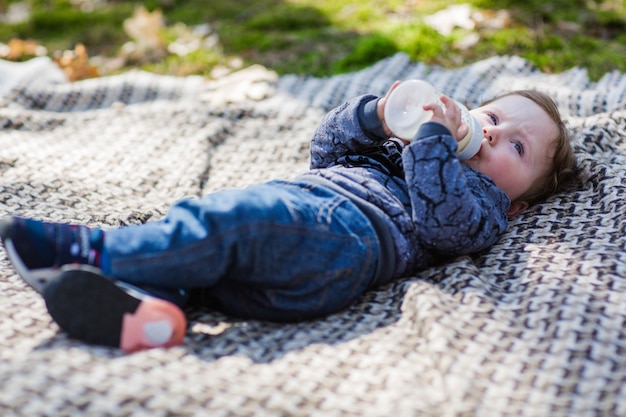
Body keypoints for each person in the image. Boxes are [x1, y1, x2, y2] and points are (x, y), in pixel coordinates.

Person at [0, 81, 577, 353]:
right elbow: (326, 150)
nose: (494, 131)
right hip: (290, 260)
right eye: (495, 115)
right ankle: (154, 313)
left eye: (517, 148)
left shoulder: (484, 208)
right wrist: (375, 116)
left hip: (340, 239)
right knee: (207, 257)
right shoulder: (406, 149)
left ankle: (91, 251)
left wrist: (429, 140)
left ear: (520, 200)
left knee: (230, 222)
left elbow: (443, 221)